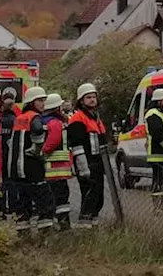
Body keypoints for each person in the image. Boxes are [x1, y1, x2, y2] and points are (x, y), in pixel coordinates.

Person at [9, 86, 54, 232]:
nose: (43, 104)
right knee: (44, 201)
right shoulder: (34, 117)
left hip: (17, 169)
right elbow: (38, 130)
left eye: (43, 100)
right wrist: (37, 150)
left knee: (23, 204)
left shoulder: (20, 118)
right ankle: (46, 233)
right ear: (31, 102)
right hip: (32, 168)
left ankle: (24, 234)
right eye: (39, 100)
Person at [67, 82, 107, 228]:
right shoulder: (78, 119)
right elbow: (77, 146)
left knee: (98, 197)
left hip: (97, 163)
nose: (92, 100)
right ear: (81, 101)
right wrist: (83, 168)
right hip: (87, 164)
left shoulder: (94, 117)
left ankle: (93, 225)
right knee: (90, 195)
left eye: (93, 97)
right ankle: (84, 227)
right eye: (88, 97)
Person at [41, 93, 74, 230]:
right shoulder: (56, 122)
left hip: (52, 167)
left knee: (55, 197)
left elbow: (52, 142)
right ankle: (63, 224)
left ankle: (58, 223)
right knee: (61, 197)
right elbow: (54, 141)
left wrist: (42, 153)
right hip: (57, 167)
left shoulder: (48, 121)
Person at [0, 86, 22, 217]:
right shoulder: (15, 121)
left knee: (1, 183)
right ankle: (13, 207)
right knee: (12, 183)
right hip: (12, 156)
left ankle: (1, 208)